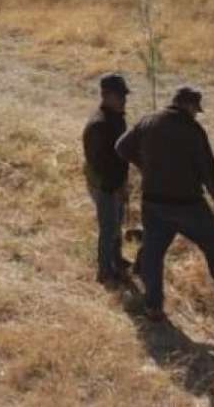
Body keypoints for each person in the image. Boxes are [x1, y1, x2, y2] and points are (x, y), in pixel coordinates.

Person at [116, 86, 214, 321]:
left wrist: (146, 166)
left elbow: (121, 147)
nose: (195, 114)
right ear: (189, 106)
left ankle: (153, 306)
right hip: (187, 203)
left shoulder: (148, 120)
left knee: (153, 253)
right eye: (195, 110)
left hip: (153, 202)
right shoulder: (192, 130)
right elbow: (209, 170)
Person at [84, 73, 133, 285]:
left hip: (116, 182)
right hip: (104, 184)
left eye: (124, 95)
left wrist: (123, 183)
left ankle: (116, 259)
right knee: (109, 227)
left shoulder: (116, 117)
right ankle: (104, 271)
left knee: (117, 222)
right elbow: (101, 164)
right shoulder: (99, 124)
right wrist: (116, 187)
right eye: (119, 95)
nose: (124, 99)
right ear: (106, 96)